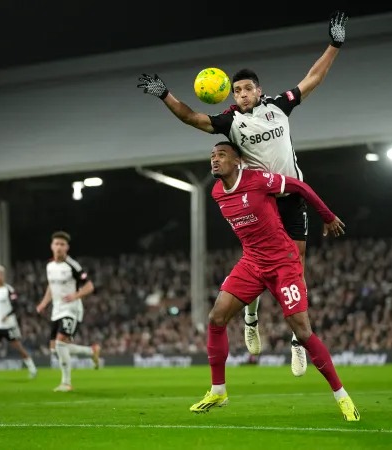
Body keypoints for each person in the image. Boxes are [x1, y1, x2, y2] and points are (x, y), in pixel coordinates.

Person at [138, 10, 349, 376]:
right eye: (237, 90)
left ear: (259, 90)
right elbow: (191, 117)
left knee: (295, 269)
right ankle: (251, 315)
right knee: (261, 263)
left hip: (292, 195)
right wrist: (165, 95)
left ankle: (297, 341)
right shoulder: (230, 121)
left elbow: (314, 78)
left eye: (247, 88)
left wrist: (334, 43)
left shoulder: (279, 106)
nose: (242, 93)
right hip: (262, 199)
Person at [189, 142, 360, 421]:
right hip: (252, 263)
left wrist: (326, 216)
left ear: (237, 161)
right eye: (212, 156)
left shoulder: (258, 181)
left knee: (303, 333)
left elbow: (300, 188)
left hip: (283, 263)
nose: (215, 160)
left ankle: (342, 396)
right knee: (216, 318)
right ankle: (218, 390)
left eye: (221, 155)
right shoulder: (217, 192)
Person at [36, 231, 101, 392]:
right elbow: (51, 286)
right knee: (54, 350)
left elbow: (89, 286)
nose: (59, 247)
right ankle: (91, 351)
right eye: (56, 244)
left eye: (62, 244)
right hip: (57, 310)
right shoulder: (50, 266)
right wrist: (44, 303)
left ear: (67, 247)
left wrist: (76, 295)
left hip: (72, 309)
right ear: (52, 246)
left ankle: (66, 383)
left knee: (60, 343)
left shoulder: (73, 266)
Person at [0, 264, 37, 380]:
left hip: (9, 325)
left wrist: (8, 315)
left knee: (18, 348)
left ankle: (33, 369)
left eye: (0, 274)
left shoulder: (9, 290)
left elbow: (16, 306)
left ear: (3, 276)